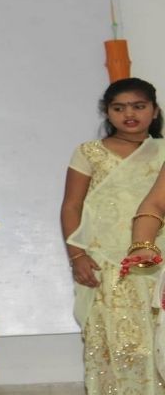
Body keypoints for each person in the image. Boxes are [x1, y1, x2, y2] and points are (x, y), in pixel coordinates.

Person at [60, 77, 165, 394]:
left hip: (156, 258)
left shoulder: (163, 151)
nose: (129, 114)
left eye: (138, 106)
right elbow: (72, 205)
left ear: (154, 110)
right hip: (105, 261)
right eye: (119, 108)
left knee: (156, 339)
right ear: (107, 113)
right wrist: (77, 255)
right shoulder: (90, 152)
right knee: (117, 341)